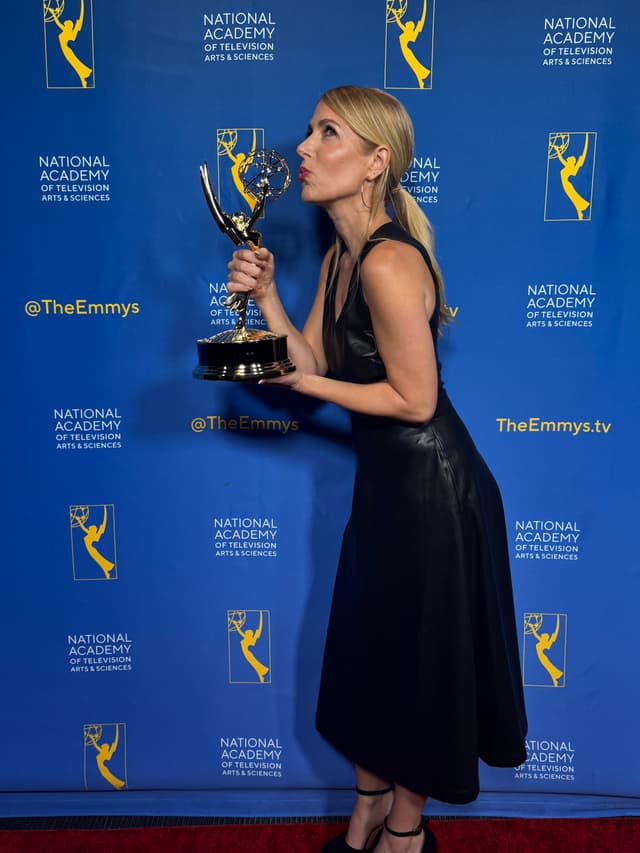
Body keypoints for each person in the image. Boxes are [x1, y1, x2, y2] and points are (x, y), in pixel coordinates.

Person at [226, 85, 527, 853]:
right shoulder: (340, 255)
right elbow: (316, 359)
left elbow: (416, 399)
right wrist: (266, 300)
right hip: (388, 489)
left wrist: (298, 384)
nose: (303, 147)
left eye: (328, 133)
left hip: (436, 490)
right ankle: (364, 811)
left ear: (374, 163)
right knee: (369, 655)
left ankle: (404, 831)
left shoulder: (389, 261)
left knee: (420, 666)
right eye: (309, 130)